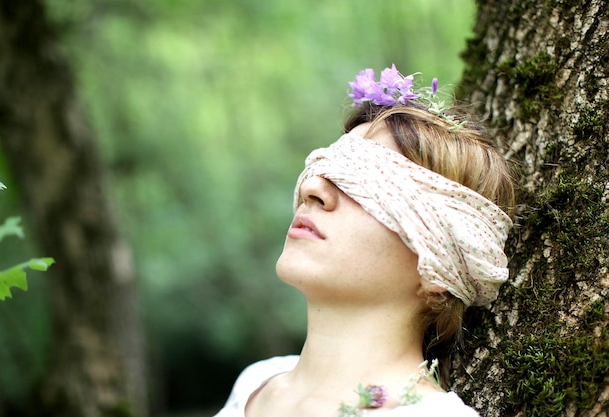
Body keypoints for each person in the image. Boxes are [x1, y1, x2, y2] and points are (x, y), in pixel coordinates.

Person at [214, 65, 515, 417]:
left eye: (362, 181)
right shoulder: (255, 384)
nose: (312, 189)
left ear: (439, 264)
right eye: (323, 167)